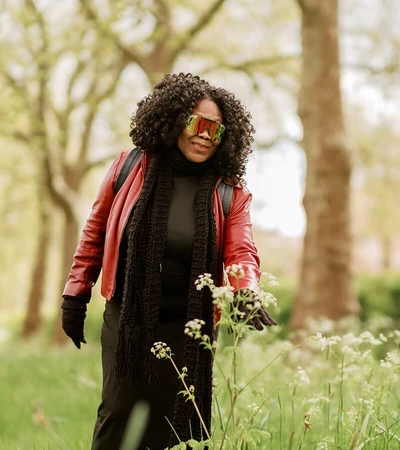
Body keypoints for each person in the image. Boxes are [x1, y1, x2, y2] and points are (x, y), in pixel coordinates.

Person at [59, 73, 276, 450]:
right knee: (118, 415)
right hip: (127, 318)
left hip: (189, 328)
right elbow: (94, 234)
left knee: (180, 428)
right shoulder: (129, 168)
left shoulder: (230, 192)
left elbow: (242, 252)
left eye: (218, 131)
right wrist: (75, 294)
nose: (206, 136)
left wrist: (246, 291)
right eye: (199, 124)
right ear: (174, 119)